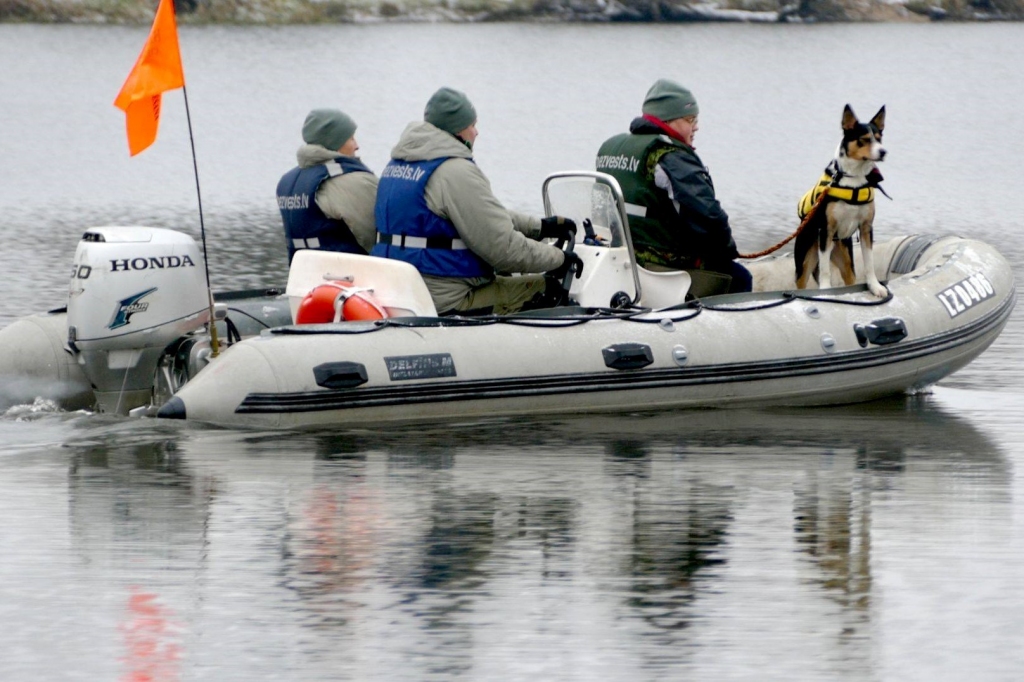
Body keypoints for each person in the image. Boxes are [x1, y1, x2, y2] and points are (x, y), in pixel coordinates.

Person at [372, 87, 580, 315]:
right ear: (458, 129)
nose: (476, 132)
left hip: (401, 291)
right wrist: (559, 259)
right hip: (448, 300)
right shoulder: (456, 171)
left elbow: (481, 215)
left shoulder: (397, 167)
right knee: (545, 287)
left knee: (506, 274)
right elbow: (504, 249)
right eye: (472, 125)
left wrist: (540, 227)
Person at [595, 79, 752, 294]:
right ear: (669, 120)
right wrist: (728, 252)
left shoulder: (611, 148)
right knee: (740, 277)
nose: (696, 126)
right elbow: (710, 218)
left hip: (619, 258)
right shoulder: (670, 156)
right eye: (690, 119)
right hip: (661, 265)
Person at [276, 108, 379, 264]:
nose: (357, 145)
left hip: (303, 275)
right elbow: (376, 238)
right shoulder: (349, 181)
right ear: (334, 142)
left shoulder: (287, 181)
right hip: (347, 278)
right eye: (351, 138)